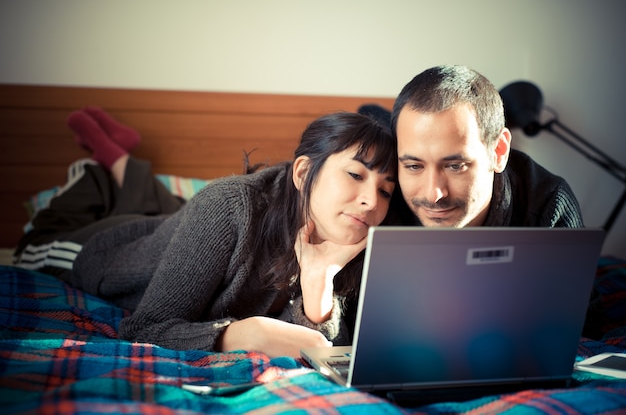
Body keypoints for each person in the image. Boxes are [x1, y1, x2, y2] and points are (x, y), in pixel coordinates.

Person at [13, 108, 398, 358]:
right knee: (44, 234)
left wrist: (319, 285)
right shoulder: (229, 205)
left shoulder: (352, 234)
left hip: (174, 227)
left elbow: (322, 343)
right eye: (354, 174)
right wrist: (242, 335)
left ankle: (123, 163)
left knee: (165, 209)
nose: (370, 201)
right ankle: (104, 168)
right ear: (302, 173)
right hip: (96, 253)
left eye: (385, 189)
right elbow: (145, 327)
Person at [388, 64, 583, 228]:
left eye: (455, 166)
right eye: (414, 166)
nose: (433, 194)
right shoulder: (377, 199)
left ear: (499, 151)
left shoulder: (549, 206)